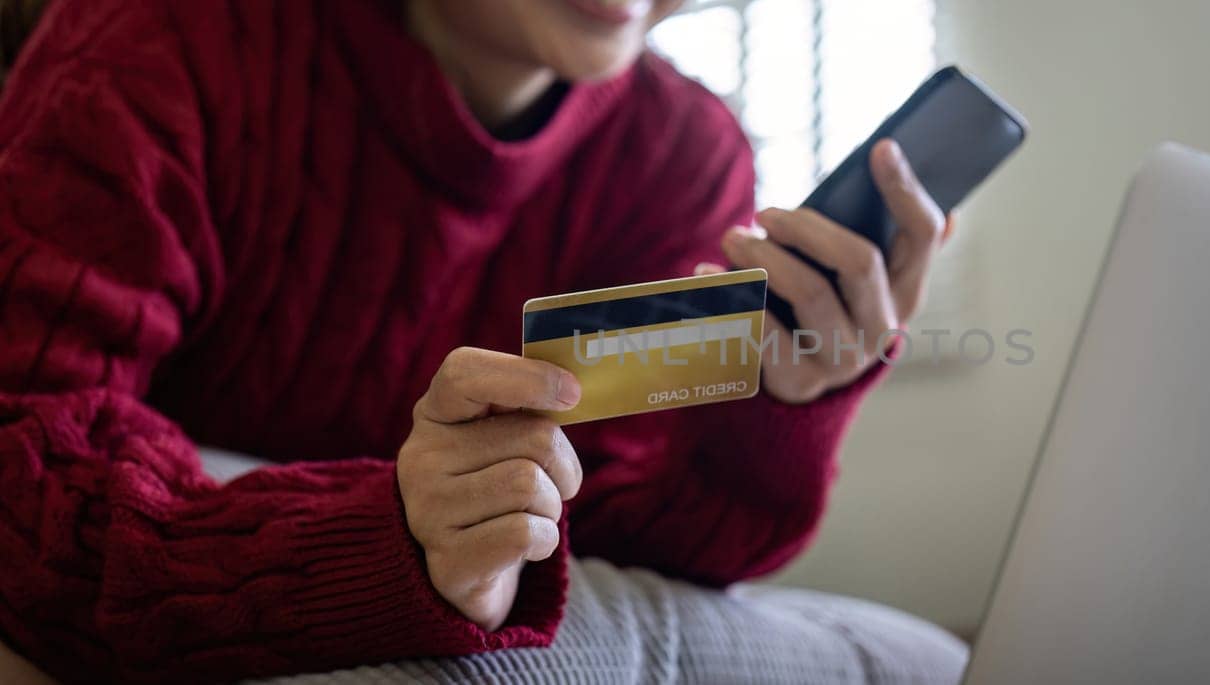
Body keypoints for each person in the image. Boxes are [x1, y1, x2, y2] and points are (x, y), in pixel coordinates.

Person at [0, 0, 964, 681]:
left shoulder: (682, 151)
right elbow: (25, 461)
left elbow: (635, 530)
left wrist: (780, 403)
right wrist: (389, 542)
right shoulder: (161, 39)